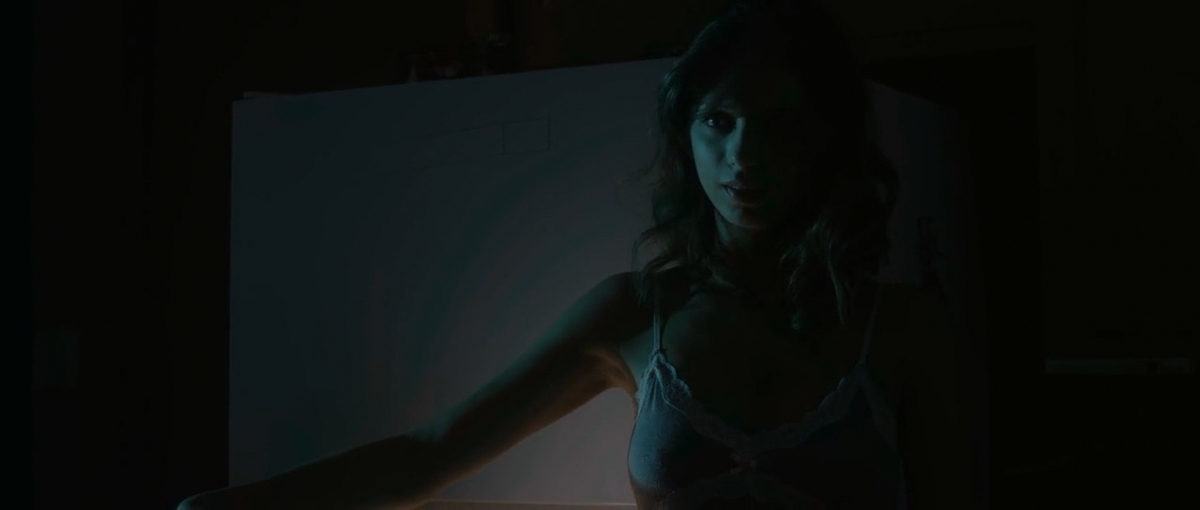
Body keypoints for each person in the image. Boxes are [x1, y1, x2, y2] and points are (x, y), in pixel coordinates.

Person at [180, 0, 972, 508]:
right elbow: (433, 451)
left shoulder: (904, 331)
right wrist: (237, 506)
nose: (743, 156)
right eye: (719, 121)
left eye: (778, 124)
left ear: (825, 140)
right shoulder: (637, 313)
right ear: (687, 134)